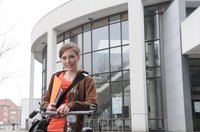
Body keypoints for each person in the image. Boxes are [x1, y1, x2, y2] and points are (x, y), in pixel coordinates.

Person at [42, 42, 98, 132]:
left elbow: (92, 104)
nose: (68, 61)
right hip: (51, 126)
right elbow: (46, 99)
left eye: (71, 57)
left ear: (78, 57)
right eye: (64, 58)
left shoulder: (87, 80)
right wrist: (47, 106)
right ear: (61, 59)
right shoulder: (56, 77)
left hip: (71, 127)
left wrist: (71, 105)